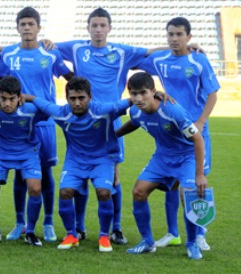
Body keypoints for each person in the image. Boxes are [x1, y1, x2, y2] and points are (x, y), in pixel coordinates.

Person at [55, 7, 168, 244]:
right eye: (94, 25)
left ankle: (115, 228)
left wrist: (187, 50)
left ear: (109, 28)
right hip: (84, 119)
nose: (98, 30)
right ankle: (79, 227)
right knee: (80, 173)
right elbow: (47, 49)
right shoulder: (76, 48)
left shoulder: (121, 52)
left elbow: (152, 51)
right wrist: (47, 45)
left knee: (114, 176)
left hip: (111, 118)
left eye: (102, 25)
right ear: (88, 28)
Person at [137, 17, 219, 251]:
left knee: (194, 182)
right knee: (171, 182)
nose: (174, 38)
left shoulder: (199, 60)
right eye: (170, 34)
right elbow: (136, 62)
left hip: (195, 129)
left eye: (179, 34)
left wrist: (201, 121)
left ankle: (200, 232)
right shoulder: (160, 59)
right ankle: (173, 233)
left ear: (189, 37)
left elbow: (212, 94)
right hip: (169, 129)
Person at [25, 77, 131, 252]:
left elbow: (132, 100)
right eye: (72, 98)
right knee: (65, 192)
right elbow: (38, 100)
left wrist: (157, 94)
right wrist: (19, 97)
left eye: (81, 98)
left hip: (102, 159)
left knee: (104, 192)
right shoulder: (61, 112)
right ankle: (71, 234)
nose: (77, 103)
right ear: (66, 98)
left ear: (90, 96)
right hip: (75, 160)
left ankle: (104, 236)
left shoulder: (103, 110)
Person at [0, 6, 73, 243]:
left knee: (46, 174)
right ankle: (20, 222)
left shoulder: (51, 54)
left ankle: (48, 222)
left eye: (31, 24)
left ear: (39, 28)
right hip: (17, 124)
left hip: (44, 122)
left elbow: (72, 79)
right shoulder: (8, 55)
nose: (27, 28)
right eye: (23, 24)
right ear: (17, 27)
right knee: (21, 174)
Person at [117, 72, 207, 260]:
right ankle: (148, 242)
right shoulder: (135, 110)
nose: (138, 98)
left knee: (188, 193)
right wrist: (113, 135)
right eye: (134, 94)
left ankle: (192, 243)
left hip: (186, 157)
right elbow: (135, 123)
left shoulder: (172, 110)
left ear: (153, 92)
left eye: (143, 93)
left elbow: (197, 139)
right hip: (162, 157)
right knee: (138, 191)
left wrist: (200, 174)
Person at [0, 76, 47, 247]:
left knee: (35, 188)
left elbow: (48, 106)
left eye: (12, 99)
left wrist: (27, 98)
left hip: (27, 153)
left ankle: (30, 232)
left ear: (19, 98)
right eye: (4, 98)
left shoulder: (30, 110)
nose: (7, 103)